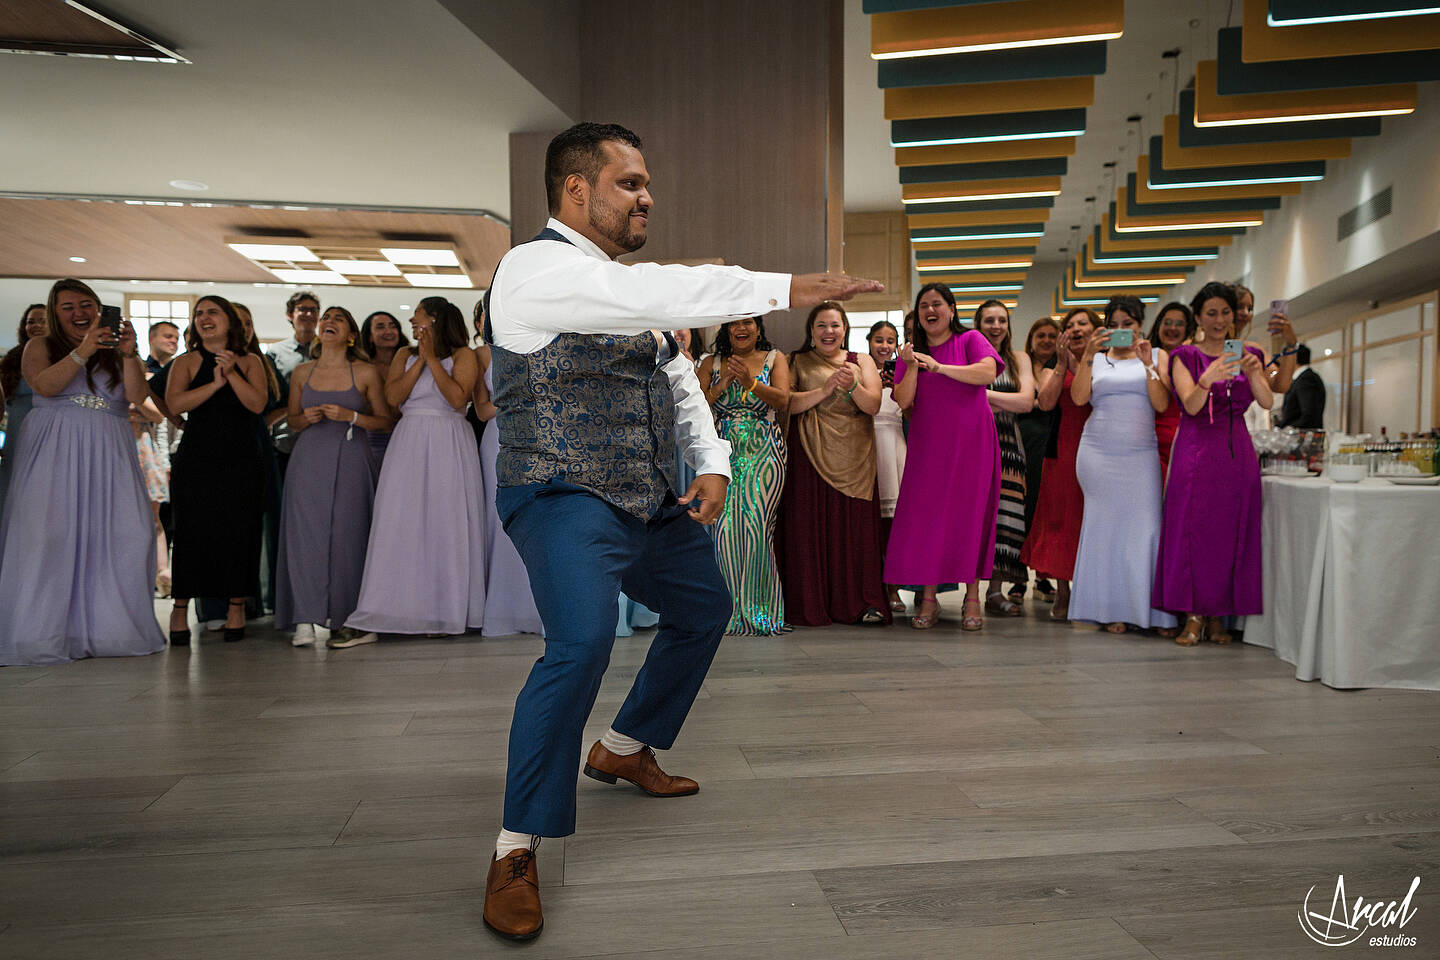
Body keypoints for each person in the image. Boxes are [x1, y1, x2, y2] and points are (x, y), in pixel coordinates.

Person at [480, 121, 880, 941]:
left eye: (646, 183)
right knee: (582, 643)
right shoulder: (532, 270)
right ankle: (514, 847)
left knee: (704, 610)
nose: (647, 197)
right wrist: (787, 285)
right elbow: (650, 295)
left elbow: (678, 381)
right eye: (630, 183)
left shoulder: (635, 295)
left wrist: (714, 463)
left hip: (650, 495)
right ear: (576, 191)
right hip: (559, 494)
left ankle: (624, 745)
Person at [0, 280, 165, 665]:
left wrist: (128, 354)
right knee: (52, 534)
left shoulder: (114, 351)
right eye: (68, 306)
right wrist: (84, 348)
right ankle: (47, 631)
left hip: (109, 444)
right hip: (55, 446)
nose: (79, 312)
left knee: (127, 531)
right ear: (55, 313)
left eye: (87, 304)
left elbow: (135, 396)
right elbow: (44, 384)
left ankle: (107, 631)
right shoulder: (38, 346)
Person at [345, 296, 486, 639]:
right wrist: (419, 363)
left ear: (436, 320)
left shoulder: (463, 355)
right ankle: (399, 607)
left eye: (418, 317)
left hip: (449, 439)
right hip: (408, 440)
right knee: (401, 520)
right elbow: (394, 399)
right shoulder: (403, 355)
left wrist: (433, 360)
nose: (412, 323)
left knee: (446, 520)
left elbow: (457, 399)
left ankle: (448, 610)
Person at [1155, 282, 1272, 645]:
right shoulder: (1184, 356)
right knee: (1193, 529)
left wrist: (1254, 373)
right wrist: (1208, 378)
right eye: (1212, 313)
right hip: (1196, 449)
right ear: (1199, 317)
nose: (1220, 320)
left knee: (1230, 530)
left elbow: (1267, 402)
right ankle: (1192, 615)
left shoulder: (1251, 352)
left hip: (1237, 449)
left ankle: (1220, 615)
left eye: (1226, 313)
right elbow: (1189, 405)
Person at [885, 283, 1002, 631]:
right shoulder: (912, 353)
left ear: (951, 309)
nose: (930, 311)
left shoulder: (970, 340)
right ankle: (929, 598)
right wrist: (914, 366)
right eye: (923, 306)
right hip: (929, 445)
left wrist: (938, 367)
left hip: (972, 443)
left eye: (937, 304)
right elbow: (904, 401)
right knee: (929, 519)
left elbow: (987, 373)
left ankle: (972, 598)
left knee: (971, 516)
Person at [276, 306, 391, 648]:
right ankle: (304, 618)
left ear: (351, 334)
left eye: (338, 319)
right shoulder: (301, 372)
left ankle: (347, 617)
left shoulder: (366, 372)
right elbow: (291, 420)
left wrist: (351, 415)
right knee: (304, 536)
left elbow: (385, 420)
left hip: (353, 457)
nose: (328, 322)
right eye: (326, 317)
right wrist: (303, 418)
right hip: (308, 460)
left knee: (349, 535)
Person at [1067, 296, 1177, 635]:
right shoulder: (1096, 359)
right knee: (1105, 529)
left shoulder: (1158, 356)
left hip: (1140, 454)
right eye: (1113, 325)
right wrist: (1087, 355)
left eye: (1126, 324)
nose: (1119, 331)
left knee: (1145, 528)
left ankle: (1148, 610)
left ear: (1140, 325)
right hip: (1098, 452)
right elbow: (1079, 399)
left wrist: (1148, 365)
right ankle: (1109, 609)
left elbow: (1161, 403)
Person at [776, 301, 889, 628]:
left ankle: (862, 603)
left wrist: (851, 385)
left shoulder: (862, 360)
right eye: (822, 325)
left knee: (855, 533)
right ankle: (811, 604)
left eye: (835, 325)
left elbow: (873, 406)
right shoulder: (795, 360)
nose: (829, 332)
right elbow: (787, 404)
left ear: (845, 329)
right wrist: (825, 390)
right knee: (809, 530)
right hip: (809, 453)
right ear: (811, 331)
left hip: (857, 458)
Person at [164, 296, 268, 645]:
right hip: (197, 458)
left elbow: (256, 404)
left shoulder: (251, 360)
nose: (204, 318)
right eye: (199, 314)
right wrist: (214, 383)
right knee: (192, 533)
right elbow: (176, 404)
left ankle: (236, 607)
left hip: (240, 459)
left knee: (239, 533)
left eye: (213, 312)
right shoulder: (186, 361)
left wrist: (232, 372)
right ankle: (180, 608)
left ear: (229, 321)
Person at [700, 315, 790, 635]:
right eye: (734, 323)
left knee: (756, 529)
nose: (741, 328)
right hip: (723, 454)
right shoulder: (711, 362)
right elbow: (697, 406)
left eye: (748, 322)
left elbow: (783, 400)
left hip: (766, 451)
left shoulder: (774, 359)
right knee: (724, 534)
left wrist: (751, 383)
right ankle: (727, 612)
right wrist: (723, 383)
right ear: (725, 329)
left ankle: (762, 613)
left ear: (758, 328)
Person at [472, 305, 543, 639]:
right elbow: (483, 410)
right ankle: (503, 607)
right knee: (497, 518)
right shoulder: (478, 356)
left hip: (534, 436)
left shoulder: (532, 344)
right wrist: (517, 398)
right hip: (496, 438)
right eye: (481, 316)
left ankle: (536, 608)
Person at [1020, 307, 1095, 622]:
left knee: (1090, 518)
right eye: (1071, 325)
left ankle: (1093, 588)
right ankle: (1063, 589)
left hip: (1101, 443)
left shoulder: (1108, 359)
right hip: (1063, 446)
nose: (1076, 329)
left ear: (1096, 329)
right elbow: (1046, 402)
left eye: (1083, 324)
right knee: (1061, 518)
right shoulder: (1055, 364)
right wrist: (1063, 361)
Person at [976, 300, 1035, 617]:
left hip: (1010, 448)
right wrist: (1005, 401)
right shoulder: (968, 355)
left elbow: (1027, 402)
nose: (996, 326)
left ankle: (995, 593)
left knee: (1007, 518)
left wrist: (983, 396)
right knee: (975, 517)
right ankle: (971, 593)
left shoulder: (1018, 359)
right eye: (989, 320)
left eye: (1001, 320)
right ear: (978, 324)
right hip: (973, 444)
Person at [1011, 316, 1060, 604]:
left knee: (1047, 509)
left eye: (1051, 335)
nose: (1045, 340)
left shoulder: (1062, 367)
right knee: (1022, 509)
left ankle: (1043, 576)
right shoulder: (1020, 366)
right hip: (1023, 440)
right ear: (1031, 339)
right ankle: (1018, 579)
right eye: (1040, 335)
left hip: (1052, 441)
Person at [866, 319, 907, 613]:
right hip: (867, 445)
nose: (884, 345)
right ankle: (872, 586)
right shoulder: (860, 368)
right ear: (869, 341)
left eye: (890, 340)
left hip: (895, 444)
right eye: (879, 339)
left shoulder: (902, 372)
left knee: (894, 525)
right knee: (871, 524)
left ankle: (894, 588)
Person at [265, 291, 320, 474]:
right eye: (303, 310)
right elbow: (272, 394)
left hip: (323, 431)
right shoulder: (275, 353)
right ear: (290, 315)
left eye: (313, 310)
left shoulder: (331, 350)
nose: (309, 315)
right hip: (286, 438)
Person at [0, 304, 47, 515]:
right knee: (13, 489)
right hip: (16, 431)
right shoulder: (11, 358)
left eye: (42, 321)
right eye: (31, 321)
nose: (36, 326)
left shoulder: (64, 356)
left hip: (48, 430)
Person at [1147, 302, 1195, 482]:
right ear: (1158, 325)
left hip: (1181, 439)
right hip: (1147, 441)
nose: (1172, 328)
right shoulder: (1144, 357)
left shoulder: (1194, 359)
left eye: (1179, 324)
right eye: (1167, 322)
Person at [359, 310, 407, 464]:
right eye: (380, 327)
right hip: (374, 439)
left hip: (408, 434)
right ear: (369, 337)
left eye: (392, 326)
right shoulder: (363, 368)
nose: (388, 331)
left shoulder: (411, 364)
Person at [1277, 344, 1325, 429]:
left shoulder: (1306, 379)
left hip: (1301, 437)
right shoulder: (1302, 378)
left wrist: (1289, 428)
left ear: (1293, 359)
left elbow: (1309, 413)